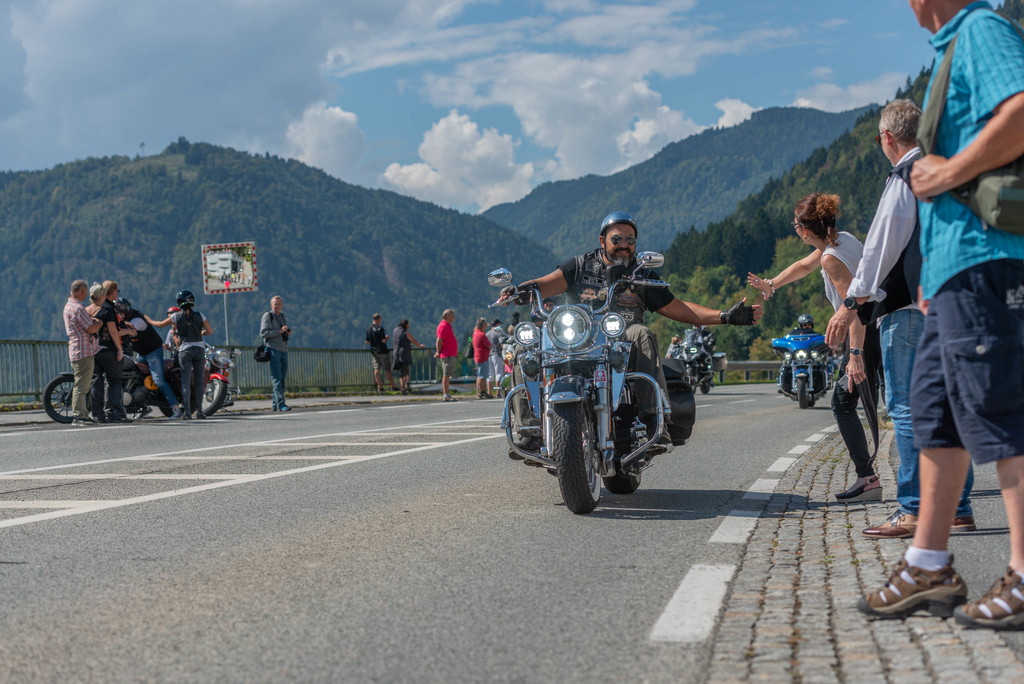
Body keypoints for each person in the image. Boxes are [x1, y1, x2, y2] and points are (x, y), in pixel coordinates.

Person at [858, 1, 1024, 628]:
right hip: (951, 279)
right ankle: (928, 566)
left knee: (1000, 411)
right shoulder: (950, 46)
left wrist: (952, 168)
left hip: (988, 263)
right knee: (933, 411)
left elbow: (1021, 109)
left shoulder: (980, 29)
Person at [826, 99, 975, 538]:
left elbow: (879, 247)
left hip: (907, 311)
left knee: (907, 408)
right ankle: (958, 505)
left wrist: (853, 301)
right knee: (949, 408)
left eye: (878, 138)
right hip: (949, 304)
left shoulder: (903, 177)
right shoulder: (944, 172)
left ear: (888, 138)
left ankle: (912, 507)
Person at [499, 210, 761, 448]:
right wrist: (521, 289)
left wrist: (725, 316)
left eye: (630, 240)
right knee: (526, 344)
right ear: (602, 241)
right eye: (617, 239)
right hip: (577, 338)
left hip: (622, 338)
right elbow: (545, 284)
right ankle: (528, 425)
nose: (624, 245)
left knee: (643, 333)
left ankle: (653, 421)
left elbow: (677, 307)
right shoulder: (580, 265)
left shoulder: (641, 273)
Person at [748, 194, 881, 501]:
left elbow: (854, 307)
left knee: (843, 404)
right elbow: (802, 266)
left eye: (796, 225)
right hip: (876, 325)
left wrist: (855, 355)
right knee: (893, 401)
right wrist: (772, 284)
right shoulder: (839, 242)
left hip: (864, 330)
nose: (795, 230)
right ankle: (905, 477)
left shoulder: (831, 259)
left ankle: (868, 478)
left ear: (805, 230)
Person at [121, 298, 183, 419]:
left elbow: (131, 332)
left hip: (153, 351)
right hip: (142, 352)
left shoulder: (136, 319)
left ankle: (176, 408)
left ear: (127, 310)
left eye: (122, 312)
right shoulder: (126, 319)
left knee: (158, 379)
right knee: (137, 377)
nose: (120, 314)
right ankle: (143, 407)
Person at [90, 281, 134, 423]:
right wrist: (120, 349)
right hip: (108, 349)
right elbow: (113, 331)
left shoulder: (92, 308)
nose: (117, 294)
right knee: (114, 380)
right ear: (110, 292)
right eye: (116, 291)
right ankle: (116, 414)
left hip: (93, 349)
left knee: (96, 381)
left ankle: (98, 414)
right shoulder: (109, 309)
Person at [62, 280, 102, 425]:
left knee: (81, 383)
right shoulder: (78, 308)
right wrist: (99, 323)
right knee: (82, 385)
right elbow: (91, 328)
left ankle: (83, 413)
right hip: (83, 350)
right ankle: (79, 416)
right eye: (85, 292)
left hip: (76, 349)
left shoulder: (68, 306)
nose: (86, 295)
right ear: (81, 292)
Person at [171, 289, 212, 419]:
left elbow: (161, 325)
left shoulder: (176, 316)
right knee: (200, 382)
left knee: (185, 382)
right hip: (199, 349)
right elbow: (209, 331)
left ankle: (187, 412)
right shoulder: (201, 315)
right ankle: (200, 411)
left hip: (185, 350)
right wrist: (201, 333)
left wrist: (148, 320)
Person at [261, 296, 292, 411]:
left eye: (279, 304)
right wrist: (279, 331)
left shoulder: (282, 316)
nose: (277, 306)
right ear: (271, 305)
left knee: (282, 378)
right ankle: (281, 404)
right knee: (277, 378)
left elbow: (283, 331)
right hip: (273, 349)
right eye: (275, 304)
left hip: (284, 349)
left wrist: (287, 331)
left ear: (282, 305)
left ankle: (275, 404)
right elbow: (263, 333)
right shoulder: (267, 316)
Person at [391, 319, 425, 395]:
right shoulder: (406, 333)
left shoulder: (395, 330)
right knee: (405, 371)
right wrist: (419, 345)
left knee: (401, 372)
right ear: (406, 325)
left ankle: (402, 386)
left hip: (396, 353)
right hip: (404, 354)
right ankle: (403, 388)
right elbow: (414, 341)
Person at [365, 313, 396, 393]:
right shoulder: (380, 328)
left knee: (377, 369)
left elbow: (367, 341)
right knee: (387, 369)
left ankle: (379, 386)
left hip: (374, 352)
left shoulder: (369, 329)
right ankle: (392, 385)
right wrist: (386, 338)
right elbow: (383, 340)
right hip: (382, 351)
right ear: (378, 319)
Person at [435, 309, 458, 402]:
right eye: (452, 316)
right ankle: (446, 394)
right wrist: (438, 351)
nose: (454, 318)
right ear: (447, 316)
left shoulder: (447, 326)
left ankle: (447, 393)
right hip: (446, 354)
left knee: (448, 374)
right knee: (446, 375)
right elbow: (439, 340)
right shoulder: (444, 326)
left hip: (449, 353)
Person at [486, 318, 507, 396]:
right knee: (498, 373)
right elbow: (502, 343)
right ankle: (498, 392)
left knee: (490, 374)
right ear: (497, 325)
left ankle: (489, 392)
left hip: (488, 355)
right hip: (497, 354)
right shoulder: (498, 333)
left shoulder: (487, 334)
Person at [472, 317, 492, 399]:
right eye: (485, 326)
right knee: (482, 376)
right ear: (483, 325)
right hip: (483, 357)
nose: (486, 328)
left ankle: (480, 391)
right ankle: (481, 392)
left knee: (479, 375)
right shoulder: (482, 335)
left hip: (477, 356)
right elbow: (489, 346)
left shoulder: (475, 333)